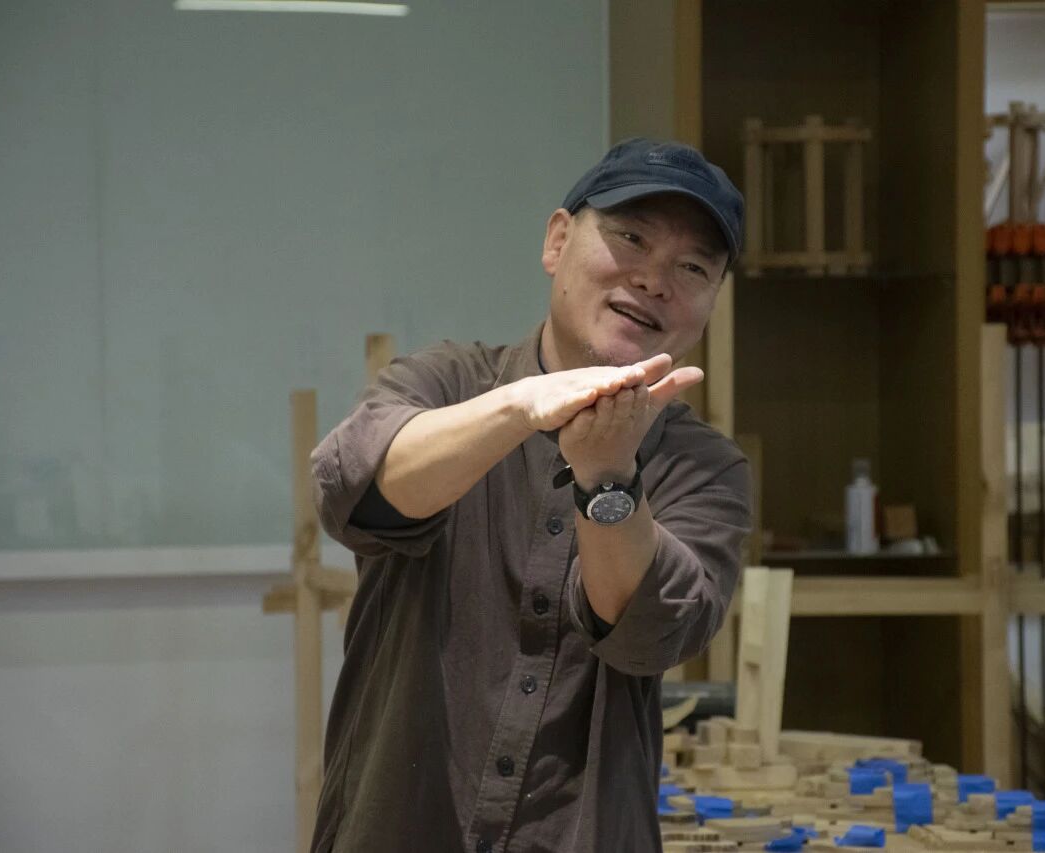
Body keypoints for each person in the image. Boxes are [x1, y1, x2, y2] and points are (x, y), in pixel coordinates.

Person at [309, 138, 752, 853]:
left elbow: (653, 634)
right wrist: (521, 408)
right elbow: (353, 488)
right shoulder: (448, 382)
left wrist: (609, 479)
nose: (653, 280)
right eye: (631, 238)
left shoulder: (707, 467)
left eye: (693, 267)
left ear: (710, 304)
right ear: (557, 241)